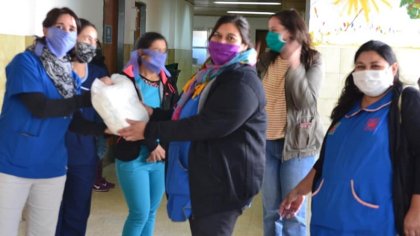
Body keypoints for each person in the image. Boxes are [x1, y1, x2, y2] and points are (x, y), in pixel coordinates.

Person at [118, 15, 267, 236]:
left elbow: (206, 125)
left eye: (230, 38)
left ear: (244, 44)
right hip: (206, 177)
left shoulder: (241, 81)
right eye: (217, 35)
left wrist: (149, 130)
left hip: (224, 183)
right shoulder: (210, 75)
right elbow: (185, 113)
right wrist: (154, 113)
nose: (221, 42)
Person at [279, 40, 420, 235]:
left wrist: (417, 210)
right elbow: (326, 161)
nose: (367, 72)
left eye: (376, 66)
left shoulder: (405, 102)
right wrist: (300, 190)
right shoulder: (347, 110)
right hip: (327, 215)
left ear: (393, 69)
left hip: (373, 219)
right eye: (360, 66)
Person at [0, 7, 108, 236]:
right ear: (45, 29)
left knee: (44, 231)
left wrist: (107, 129)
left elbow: (74, 122)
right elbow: (41, 107)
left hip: (52, 168)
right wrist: (89, 99)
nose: (66, 33)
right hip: (14, 163)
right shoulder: (26, 62)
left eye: (72, 29)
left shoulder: (68, 75)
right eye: (60, 27)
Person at [256, 9, 324, 236]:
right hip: (265, 144)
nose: (270, 35)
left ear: (293, 32)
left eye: (275, 30)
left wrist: (295, 65)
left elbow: (306, 103)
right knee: (270, 211)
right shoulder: (266, 60)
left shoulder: (312, 59)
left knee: (293, 213)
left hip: (297, 147)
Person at [114, 32, 179, 236]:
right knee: (139, 213)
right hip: (133, 155)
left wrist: (160, 147)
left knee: (151, 212)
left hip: (159, 157)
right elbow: (126, 120)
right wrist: (152, 144)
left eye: (163, 51)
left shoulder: (167, 83)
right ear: (141, 53)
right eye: (155, 51)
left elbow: (172, 117)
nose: (160, 56)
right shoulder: (126, 81)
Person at [55, 18, 109, 236]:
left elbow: (108, 111)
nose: (91, 44)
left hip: (83, 154)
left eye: (95, 41)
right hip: (53, 152)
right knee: (51, 212)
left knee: (78, 212)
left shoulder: (98, 73)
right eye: (87, 38)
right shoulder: (56, 70)